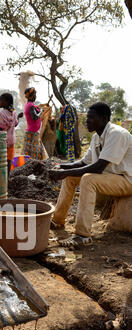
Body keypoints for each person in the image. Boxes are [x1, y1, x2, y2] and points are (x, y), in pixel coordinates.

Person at [49, 102, 132, 247]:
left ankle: (82, 235)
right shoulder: (96, 138)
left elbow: (98, 167)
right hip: (111, 178)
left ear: (104, 118)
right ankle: (57, 221)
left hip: (127, 180)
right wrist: (58, 167)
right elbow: (82, 163)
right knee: (70, 177)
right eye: (86, 118)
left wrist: (64, 172)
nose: (86, 121)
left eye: (91, 118)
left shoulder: (117, 134)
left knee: (88, 179)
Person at [0, 93, 23, 174]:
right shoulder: (13, 112)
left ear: (6, 102)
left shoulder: (1, 113)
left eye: (0, 100)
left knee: (2, 160)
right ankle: (8, 176)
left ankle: (2, 178)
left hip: (4, 140)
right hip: (12, 140)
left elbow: (2, 127)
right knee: (9, 159)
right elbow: (15, 124)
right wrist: (18, 117)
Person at [22, 87, 48, 160]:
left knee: (38, 152)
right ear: (32, 96)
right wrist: (41, 111)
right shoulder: (30, 106)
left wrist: (39, 110)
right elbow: (35, 117)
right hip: (32, 133)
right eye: (35, 95)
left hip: (33, 133)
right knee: (34, 154)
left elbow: (34, 112)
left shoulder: (29, 105)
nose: (36, 97)